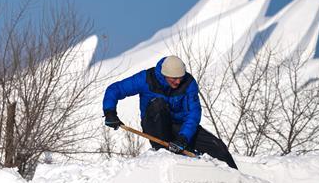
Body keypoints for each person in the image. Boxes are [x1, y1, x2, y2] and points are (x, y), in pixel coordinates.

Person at [102, 55, 237, 169]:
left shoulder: (188, 83)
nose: (178, 82)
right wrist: (110, 112)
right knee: (158, 104)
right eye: (174, 78)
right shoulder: (146, 79)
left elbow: (194, 113)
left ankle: (240, 182)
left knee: (219, 148)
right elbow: (115, 89)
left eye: (180, 78)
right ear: (164, 75)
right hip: (155, 124)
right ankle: (164, 151)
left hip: (181, 128)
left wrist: (183, 138)